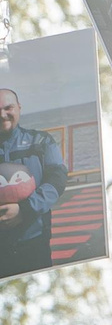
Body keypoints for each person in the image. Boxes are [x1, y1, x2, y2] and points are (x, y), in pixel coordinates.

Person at [0, 88, 67, 279]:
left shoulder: (40, 141)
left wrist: (25, 210)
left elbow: (57, 179)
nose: (2, 114)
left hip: (35, 242)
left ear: (19, 108)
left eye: (8, 108)